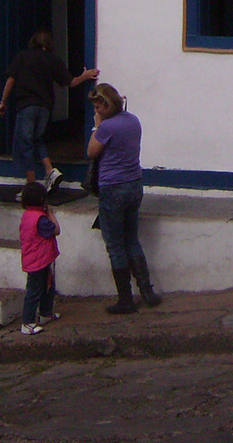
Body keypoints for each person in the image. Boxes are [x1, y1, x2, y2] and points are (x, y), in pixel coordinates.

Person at [88, 82, 161, 314]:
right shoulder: (133, 120)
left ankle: (126, 298)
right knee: (132, 239)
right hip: (134, 184)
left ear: (108, 104)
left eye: (100, 106)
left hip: (112, 187)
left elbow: (91, 151)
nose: (97, 111)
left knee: (115, 245)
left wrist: (96, 127)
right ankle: (147, 291)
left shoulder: (107, 128)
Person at [0, 31, 99, 195]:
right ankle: (50, 170)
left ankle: (30, 186)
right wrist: (85, 75)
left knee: (25, 144)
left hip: (26, 105)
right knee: (37, 139)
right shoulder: (54, 60)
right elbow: (71, 82)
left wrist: (3, 102)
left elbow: (11, 80)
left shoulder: (23, 56)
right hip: (44, 107)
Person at [18, 181, 61, 335]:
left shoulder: (27, 215)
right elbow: (56, 230)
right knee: (35, 290)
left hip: (37, 258)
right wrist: (51, 214)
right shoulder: (41, 219)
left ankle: (45, 313)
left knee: (47, 287)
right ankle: (27, 322)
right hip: (39, 260)